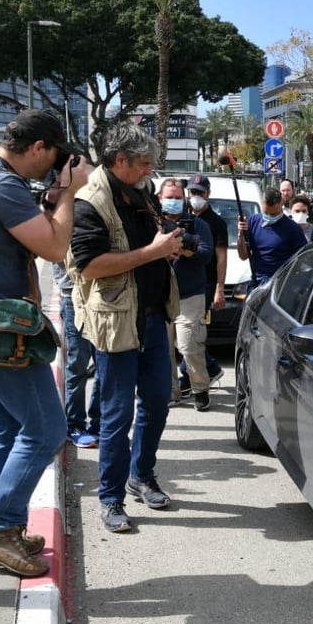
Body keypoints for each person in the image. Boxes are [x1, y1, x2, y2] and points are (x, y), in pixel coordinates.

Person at [0, 108, 88, 576]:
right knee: (47, 431)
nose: (51, 169)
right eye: (51, 161)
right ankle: (1, 528)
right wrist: (67, 191)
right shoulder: (2, 185)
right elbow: (53, 247)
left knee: (3, 431)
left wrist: (52, 193)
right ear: (37, 148)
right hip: (2, 330)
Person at [68, 121, 184, 533]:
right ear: (121, 160)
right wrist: (152, 252)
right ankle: (111, 498)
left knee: (157, 403)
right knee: (116, 417)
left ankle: (142, 475)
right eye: (144, 165)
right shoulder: (90, 201)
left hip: (153, 317)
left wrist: (167, 247)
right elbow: (90, 266)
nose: (149, 172)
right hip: (116, 323)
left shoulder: (140, 192)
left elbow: (147, 247)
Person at [159, 182, 215, 411]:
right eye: (169, 196)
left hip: (190, 295)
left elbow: (206, 254)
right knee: (163, 349)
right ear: (160, 198)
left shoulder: (197, 225)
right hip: (160, 295)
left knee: (189, 345)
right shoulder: (154, 224)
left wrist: (185, 250)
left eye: (178, 196)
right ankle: (171, 391)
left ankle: (200, 389)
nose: (174, 200)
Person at [179, 173, 225, 398]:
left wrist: (219, 288)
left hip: (204, 285)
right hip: (181, 285)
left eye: (200, 192)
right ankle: (191, 377)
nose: (196, 196)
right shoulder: (182, 218)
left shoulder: (215, 222)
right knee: (186, 337)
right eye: (192, 192)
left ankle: (198, 377)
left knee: (192, 336)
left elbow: (220, 257)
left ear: (208, 193)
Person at [54, 255, 99, 448]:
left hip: (102, 293)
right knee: (78, 364)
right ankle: (74, 424)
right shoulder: (63, 224)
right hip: (73, 295)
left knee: (104, 364)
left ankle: (99, 423)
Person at [237, 186, 306, 285]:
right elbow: (243, 256)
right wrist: (241, 236)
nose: (269, 216)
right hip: (258, 282)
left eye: (274, 214)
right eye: (266, 213)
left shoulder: (293, 229)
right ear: (262, 204)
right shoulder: (252, 222)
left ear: (281, 204)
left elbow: (302, 259)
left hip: (281, 284)